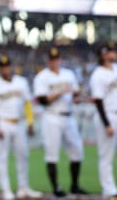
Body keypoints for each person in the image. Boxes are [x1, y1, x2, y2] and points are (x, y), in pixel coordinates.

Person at [33, 47, 88, 198]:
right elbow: (43, 100)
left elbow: (75, 95)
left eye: (57, 59)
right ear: (48, 61)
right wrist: (60, 92)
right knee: (52, 154)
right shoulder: (42, 77)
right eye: (52, 59)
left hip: (69, 116)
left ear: (60, 60)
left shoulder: (68, 74)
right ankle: (56, 188)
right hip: (52, 117)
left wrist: (79, 98)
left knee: (77, 151)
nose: (55, 62)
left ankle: (75, 186)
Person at [0, 55, 42, 200]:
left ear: (10, 67)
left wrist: (30, 122)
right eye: (3, 67)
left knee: (23, 155)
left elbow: (28, 104)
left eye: (7, 66)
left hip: (19, 122)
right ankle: (6, 190)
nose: (5, 69)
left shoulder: (21, 82)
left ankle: (23, 188)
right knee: (3, 157)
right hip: (3, 122)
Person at [89, 43, 117, 200]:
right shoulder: (98, 75)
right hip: (108, 116)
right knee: (106, 156)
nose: (115, 53)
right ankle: (109, 191)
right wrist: (107, 124)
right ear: (104, 55)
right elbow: (98, 101)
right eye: (111, 51)